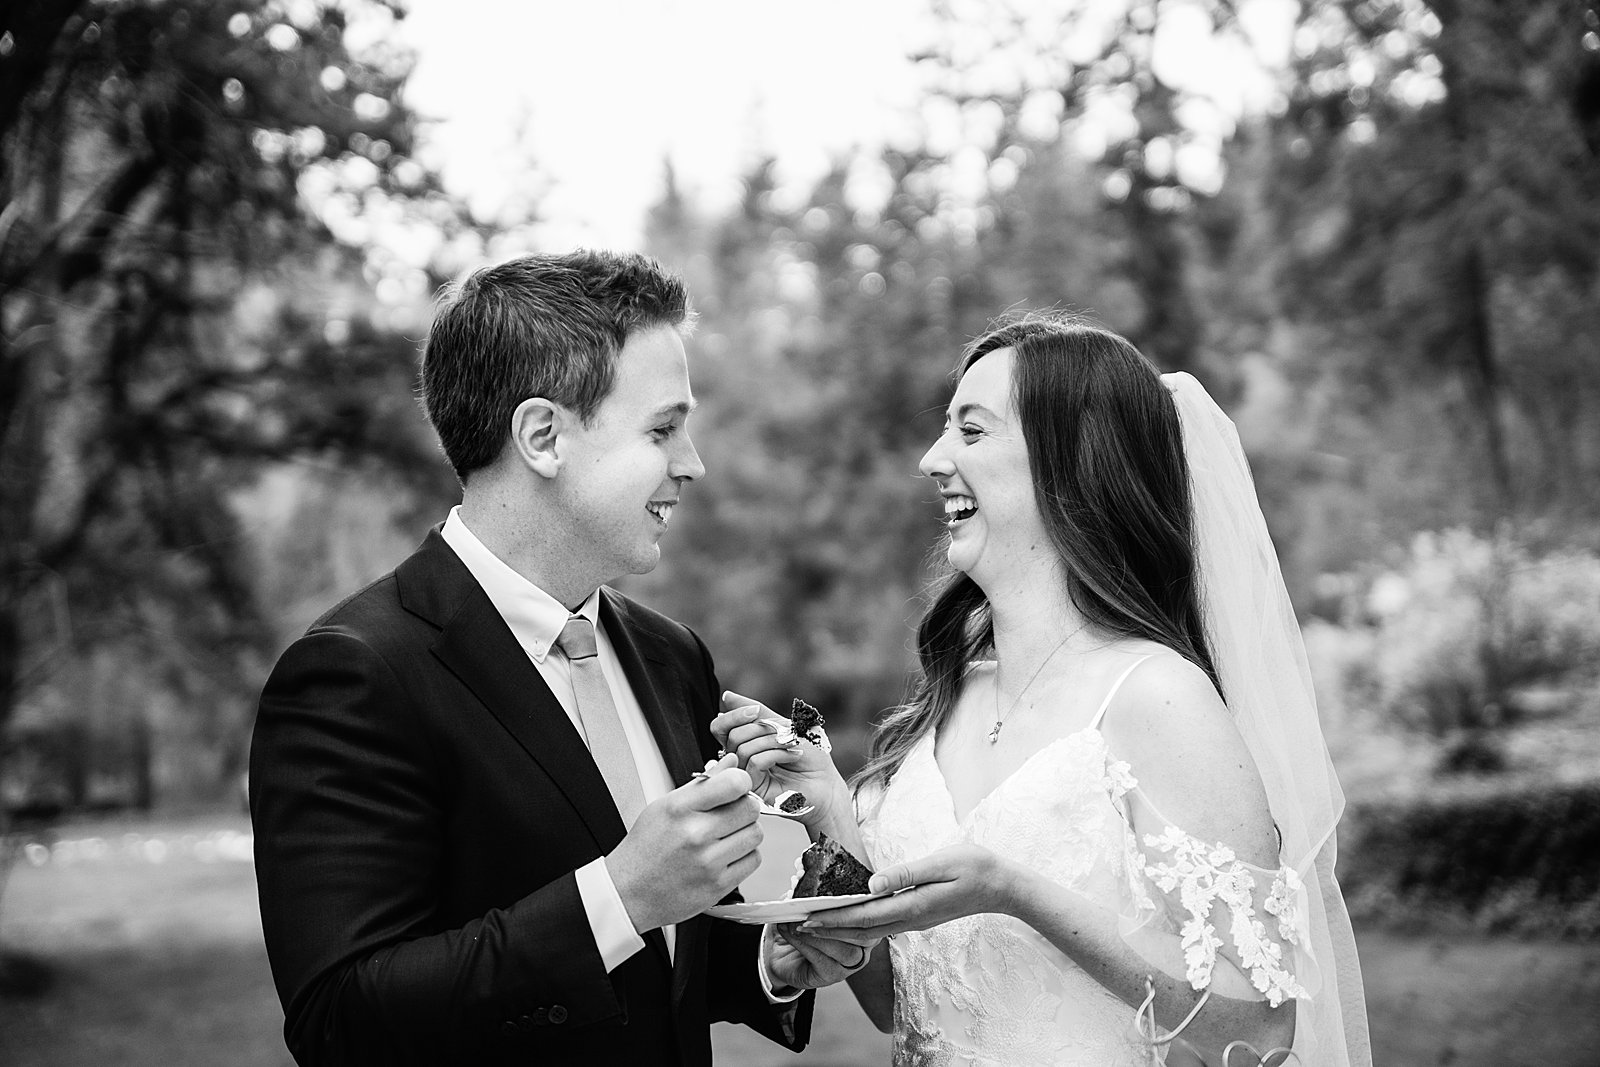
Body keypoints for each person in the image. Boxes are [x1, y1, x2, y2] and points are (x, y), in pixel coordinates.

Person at [250, 250, 866, 1067]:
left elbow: (659, 961)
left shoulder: (670, 656)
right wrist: (619, 893)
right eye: (662, 428)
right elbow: (343, 1020)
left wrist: (773, 960)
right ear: (543, 436)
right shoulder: (355, 675)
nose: (693, 462)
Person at [714, 313, 1372, 1066]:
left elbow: (1258, 1032)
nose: (933, 458)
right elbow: (906, 1007)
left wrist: (1016, 892)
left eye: (972, 430)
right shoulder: (950, 701)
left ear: (1070, 464)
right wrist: (827, 805)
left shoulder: (1156, 698)